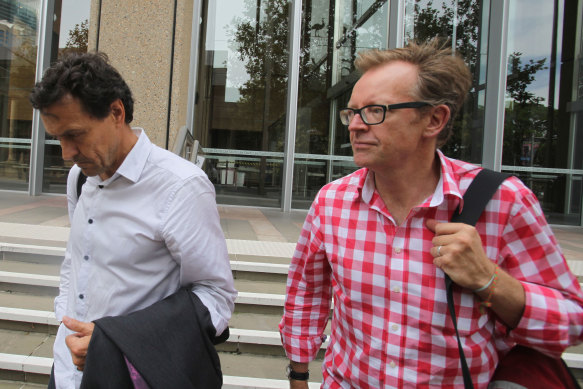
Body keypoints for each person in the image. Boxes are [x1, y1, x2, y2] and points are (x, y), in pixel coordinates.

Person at [279, 39, 583, 388]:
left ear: (434, 119)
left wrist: (489, 279)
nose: (356, 125)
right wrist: (298, 375)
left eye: (376, 111)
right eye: (352, 112)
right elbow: (307, 292)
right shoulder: (332, 202)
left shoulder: (504, 202)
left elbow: (570, 322)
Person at [30, 52, 237, 388]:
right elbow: (78, 259)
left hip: (133, 375)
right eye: (58, 138)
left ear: (116, 112)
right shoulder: (79, 178)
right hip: (67, 370)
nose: (66, 153)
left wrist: (115, 341)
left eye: (75, 134)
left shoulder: (181, 186)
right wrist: (65, 321)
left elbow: (216, 297)